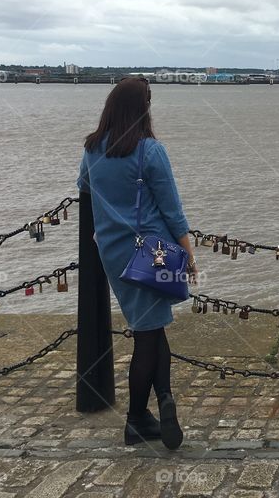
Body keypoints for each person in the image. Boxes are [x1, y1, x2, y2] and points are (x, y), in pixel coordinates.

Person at [78, 77, 197, 449]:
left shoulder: (92, 148)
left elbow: (84, 189)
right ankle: (135, 419)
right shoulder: (150, 151)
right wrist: (189, 252)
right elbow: (172, 210)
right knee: (147, 336)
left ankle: (161, 404)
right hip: (153, 253)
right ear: (143, 107)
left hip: (113, 252)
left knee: (152, 328)